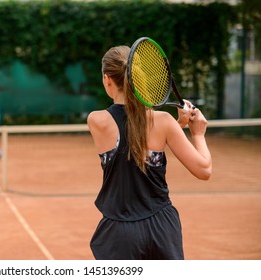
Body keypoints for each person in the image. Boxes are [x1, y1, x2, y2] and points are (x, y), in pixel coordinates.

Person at [87, 46, 212, 260]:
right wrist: (197, 133)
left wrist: (175, 126)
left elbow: (132, 137)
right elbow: (204, 169)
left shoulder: (97, 120)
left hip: (120, 233)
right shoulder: (163, 122)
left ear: (107, 79)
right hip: (162, 227)